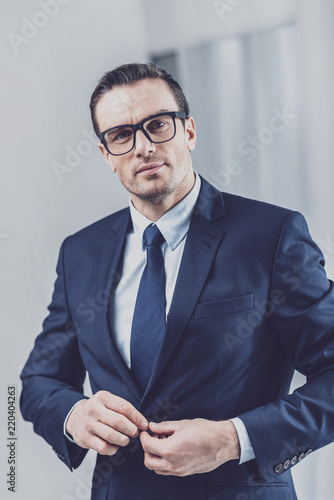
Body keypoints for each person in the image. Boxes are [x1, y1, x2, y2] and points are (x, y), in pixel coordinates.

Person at [20, 62, 334, 500]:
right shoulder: (80, 253)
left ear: (188, 132)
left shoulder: (272, 235)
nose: (143, 146)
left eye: (157, 125)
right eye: (121, 135)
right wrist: (74, 414)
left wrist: (234, 438)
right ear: (107, 155)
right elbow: (38, 382)